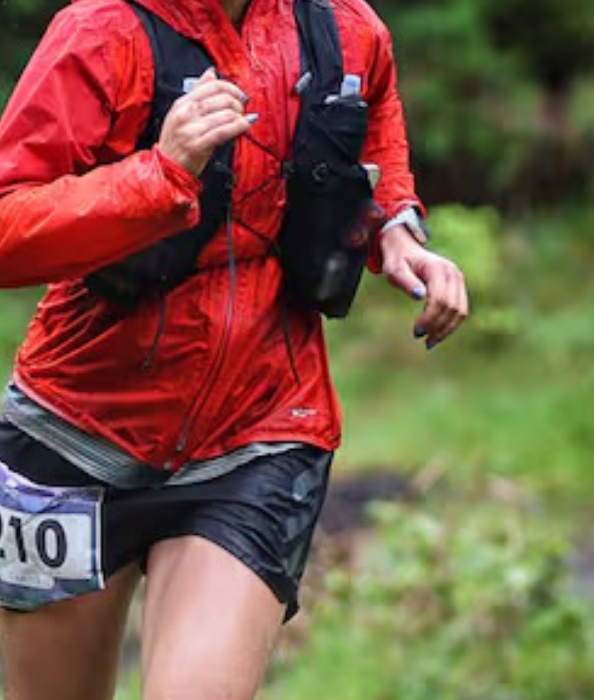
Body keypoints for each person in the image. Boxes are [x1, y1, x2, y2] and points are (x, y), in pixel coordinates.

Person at [0, 0, 468, 697]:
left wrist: (396, 231)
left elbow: (371, 141)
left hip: (260, 431)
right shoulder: (100, 31)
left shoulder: (347, 28)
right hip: (72, 436)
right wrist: (162, 171)